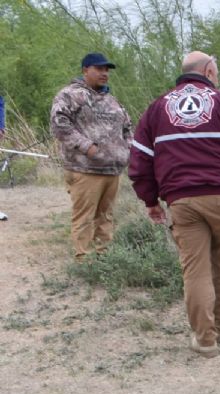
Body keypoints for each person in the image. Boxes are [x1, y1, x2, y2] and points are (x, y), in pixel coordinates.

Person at [128, 51, 220, 358]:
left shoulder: (157, 109)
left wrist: (150, 200)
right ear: (209, 71)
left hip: (182, 200)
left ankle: (205, 340)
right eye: (216, 73)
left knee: (195, 269)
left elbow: (140, 160)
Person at [50, 53, 131, 260]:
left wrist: (127, 150)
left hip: (112, 169)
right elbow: (59, 125)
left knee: (106, 216)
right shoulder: (70, 95)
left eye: (106, 70)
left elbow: (127, 128)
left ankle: (104, 258)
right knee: (84, 217)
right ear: (85, 70)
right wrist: (87, 147)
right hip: (84, 169)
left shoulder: (112, 100)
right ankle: (83, 261)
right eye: (99, 69)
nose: (104, 74)